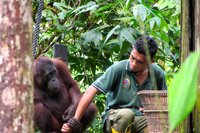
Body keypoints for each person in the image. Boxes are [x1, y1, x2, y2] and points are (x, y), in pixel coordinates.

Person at [61, 35, 167, 133]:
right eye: (132, 58)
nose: (133, 64)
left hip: (140, 119)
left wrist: (153, 109)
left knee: (157, 125)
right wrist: (74, 121)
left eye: (140, 62)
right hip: (115, 118)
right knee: (127, 115)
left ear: (151, 62)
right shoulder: (119, 68)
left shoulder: (157, 73)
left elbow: (164, 102)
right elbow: (90, 91)